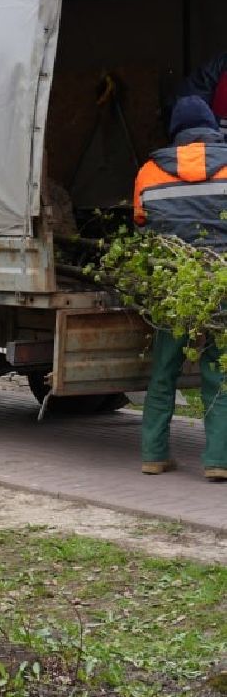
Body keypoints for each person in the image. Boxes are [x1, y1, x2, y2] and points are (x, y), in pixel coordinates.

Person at [132, 95, 227, 480]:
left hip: (172, 284)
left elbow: (140, 223)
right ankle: (218, 460)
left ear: (175, 132)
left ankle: (154, 455)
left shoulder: (149, 171)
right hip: (222, 282)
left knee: (165, 370)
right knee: (219, 372)